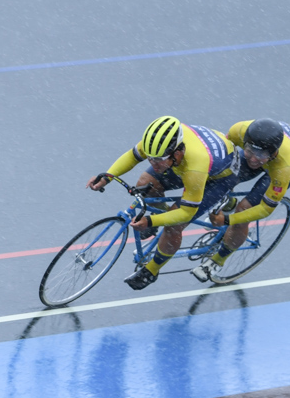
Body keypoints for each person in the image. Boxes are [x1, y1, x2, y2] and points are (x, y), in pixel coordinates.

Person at [87, 116, 239, 290]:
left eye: (158, 160)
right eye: (150, 158)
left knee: (174, 226)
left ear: (177, 153)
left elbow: (186, 213)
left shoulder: (196, 165)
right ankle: (163, 216)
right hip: (189, 159)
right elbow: (132, 156)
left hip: (220, 176)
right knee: (145, 183)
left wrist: (151, 221)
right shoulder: (158, 144)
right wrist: (107, 177)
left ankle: (151, 270)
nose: (153, 163)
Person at [191, 118, 290, 281]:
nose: (253, 159)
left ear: (273, 153)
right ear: (245, 141)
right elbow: (221, 157)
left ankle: (217, 261)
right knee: (222, 175)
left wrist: (227, 220)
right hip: (268, 151)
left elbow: (265, 209)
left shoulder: (284, 165)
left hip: (285, 167)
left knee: (244, 210)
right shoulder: (238, 131)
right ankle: (229, 201)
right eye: (250, 151)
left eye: (261, 155)